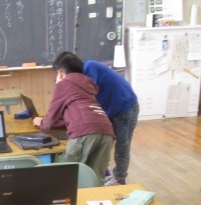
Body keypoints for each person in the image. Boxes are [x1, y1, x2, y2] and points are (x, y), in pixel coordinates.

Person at [53, 51, 139, 186]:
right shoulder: (78, 79)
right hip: (107, 109)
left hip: (124, 107)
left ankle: (120, 179)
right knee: (102, 141)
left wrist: (63, 85)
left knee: (122, 145)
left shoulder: (89, 67)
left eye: (61, 73)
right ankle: (103, 175)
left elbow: (87, 92)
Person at [32, 53, 115, 184]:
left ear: (60, 73)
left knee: (65, 178)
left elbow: (49, 123)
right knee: (95, 180)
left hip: (85, 133)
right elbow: (79, 116)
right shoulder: (87, 84)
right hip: (106, 131)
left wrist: (40, 121)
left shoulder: (64, 84)